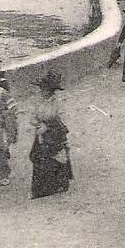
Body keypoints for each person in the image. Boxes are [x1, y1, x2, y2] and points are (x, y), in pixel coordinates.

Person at [28, 70, 74, 199]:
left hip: (55, 133)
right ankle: (42, 188)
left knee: (56, 157)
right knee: (39, 158)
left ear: (51, 91)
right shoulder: (37, 101)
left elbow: (63, 120)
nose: (42, 91)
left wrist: (48, 126)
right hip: (41, 133)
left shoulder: (57, 102)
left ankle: (58, 184)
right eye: (42, 89)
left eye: (45, 89)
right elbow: (32, 118)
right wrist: (39, 125)